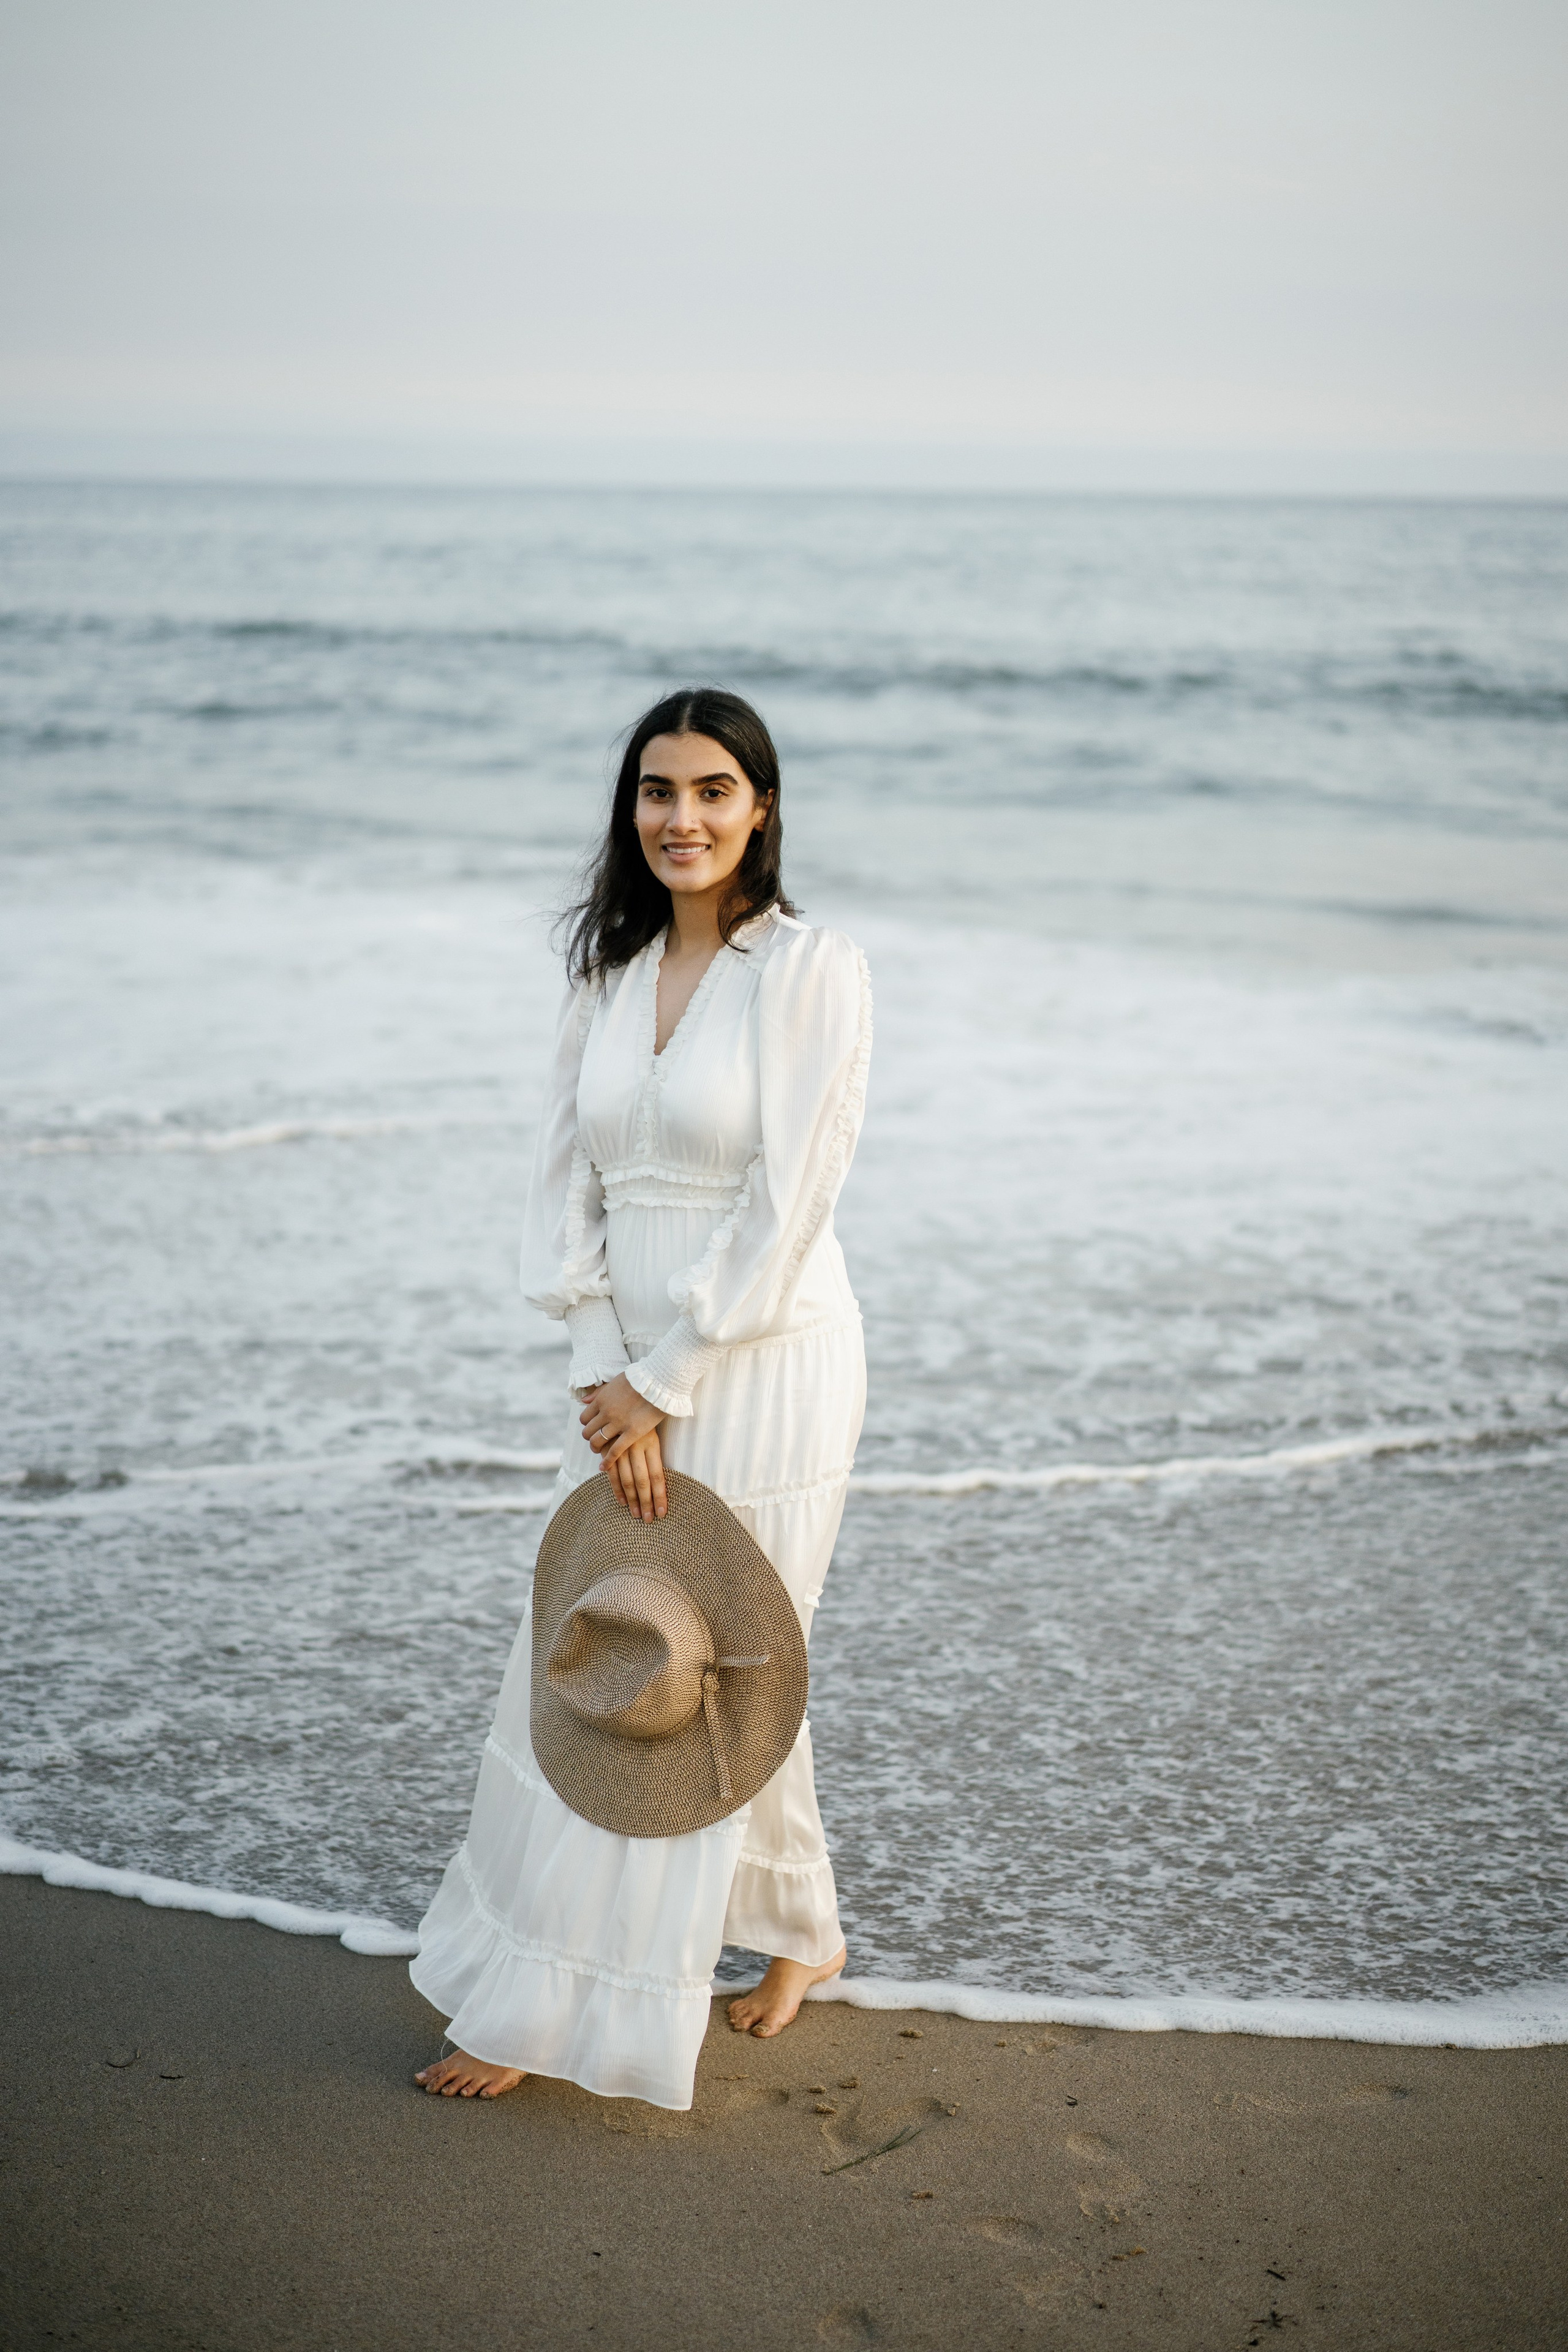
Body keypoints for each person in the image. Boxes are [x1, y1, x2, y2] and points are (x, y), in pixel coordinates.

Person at [411, 687, 872, 2109]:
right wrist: (597, 1369)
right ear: (632, 811)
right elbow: (567, 1183)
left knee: (695, 1673)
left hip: (767, 1362)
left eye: (713, 792)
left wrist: (666, 1380)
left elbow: (792, 1203)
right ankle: (803, 1930)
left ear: (763, 809)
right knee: (648, 1648)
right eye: (657, 792)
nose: (682, 819)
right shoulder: (604, 972)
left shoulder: (812, 970)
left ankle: (557, 2013)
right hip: (630, 1373)